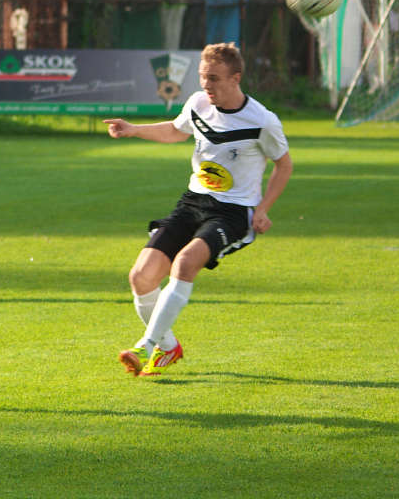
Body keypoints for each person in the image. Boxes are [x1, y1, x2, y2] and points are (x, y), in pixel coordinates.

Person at [103, 43, 293, 377]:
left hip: (232, 213)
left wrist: (262, 209)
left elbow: (284, 165)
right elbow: (177, 131)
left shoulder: (262, 120)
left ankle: (145, 346)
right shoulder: (198, 103)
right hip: (193, 202)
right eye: (204, 77)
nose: (207, 85)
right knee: (141, 277)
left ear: (236, 78)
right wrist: (134, 129)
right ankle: (168, 346)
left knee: (185, 263)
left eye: (215, 79)